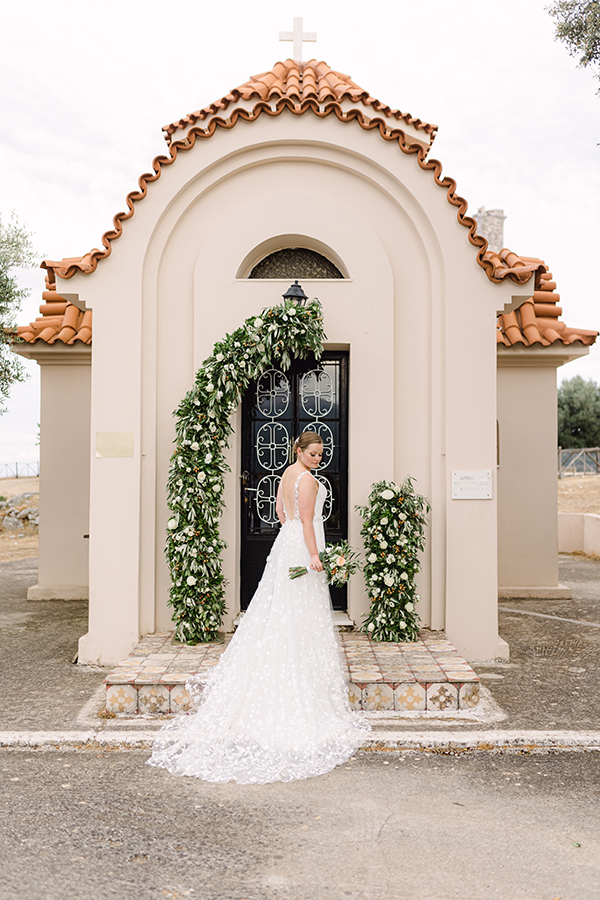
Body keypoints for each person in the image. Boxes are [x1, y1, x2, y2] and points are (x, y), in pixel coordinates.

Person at [148, 431, 369, 783]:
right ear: (299, 450)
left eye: (321, 453)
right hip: (303, 547)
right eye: (312, 453)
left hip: (286, 544)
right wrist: (314, 555)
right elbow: (310, 521)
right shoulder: (309, 481)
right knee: (300, 614)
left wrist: (294, 539)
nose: (317, 458)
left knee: (279, 610)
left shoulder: (286, 473)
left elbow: (283, 513)